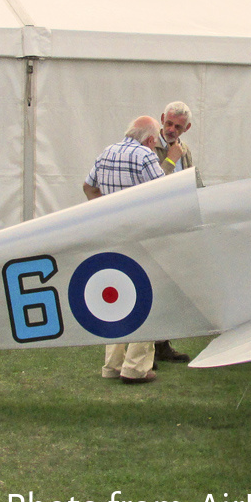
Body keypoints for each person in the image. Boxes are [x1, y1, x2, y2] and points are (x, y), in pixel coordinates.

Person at [83, 116, 165, 383]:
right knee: (145, 297)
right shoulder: (145, 156)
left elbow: (88, 186)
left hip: (111, 236)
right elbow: (163, 193)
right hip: (141, 236)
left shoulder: (106, 151)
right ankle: (136, 367)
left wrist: (105, 209)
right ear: (151, 139)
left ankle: (112, 365)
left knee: (117, 298)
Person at [152, 102, 194, 363]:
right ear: (161, 119)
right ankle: (145, 348)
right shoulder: (148, 145)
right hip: (153, 224)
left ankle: (163, 343)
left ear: (186, 128)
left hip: (175, 223)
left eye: (178, 126)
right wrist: (171, 159)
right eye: (168, 123)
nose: (171, 129)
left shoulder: (185, 148)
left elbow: (188, 180)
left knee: (171, 284)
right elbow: (151, 185)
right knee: (153, 282)